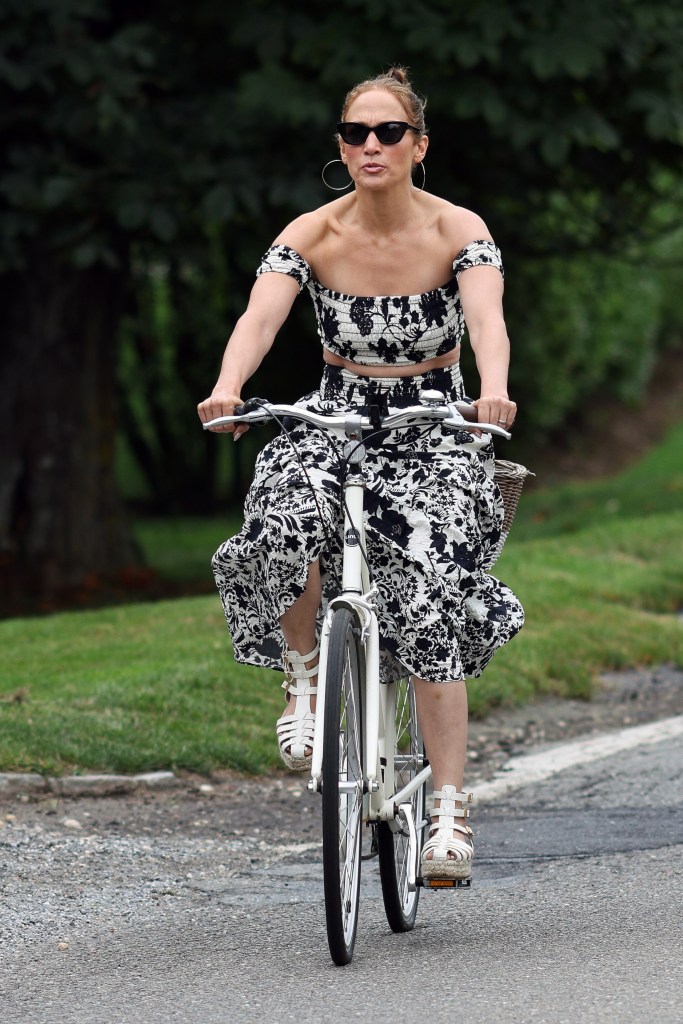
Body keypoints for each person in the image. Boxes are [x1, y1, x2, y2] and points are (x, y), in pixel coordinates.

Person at [197, 66, 524, 881]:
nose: (369, 147)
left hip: (434, 424)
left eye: (386, 133)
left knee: (427, 591)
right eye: (354, 134)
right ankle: (305, 679)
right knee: (280, 511)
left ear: (417, 145)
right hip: (335, 411)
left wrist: (490, 394)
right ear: (339, 147)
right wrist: (227, 389)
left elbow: (487, 319)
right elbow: (259, 315)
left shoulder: (457, 228)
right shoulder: (312, 232)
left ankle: (448, 812)